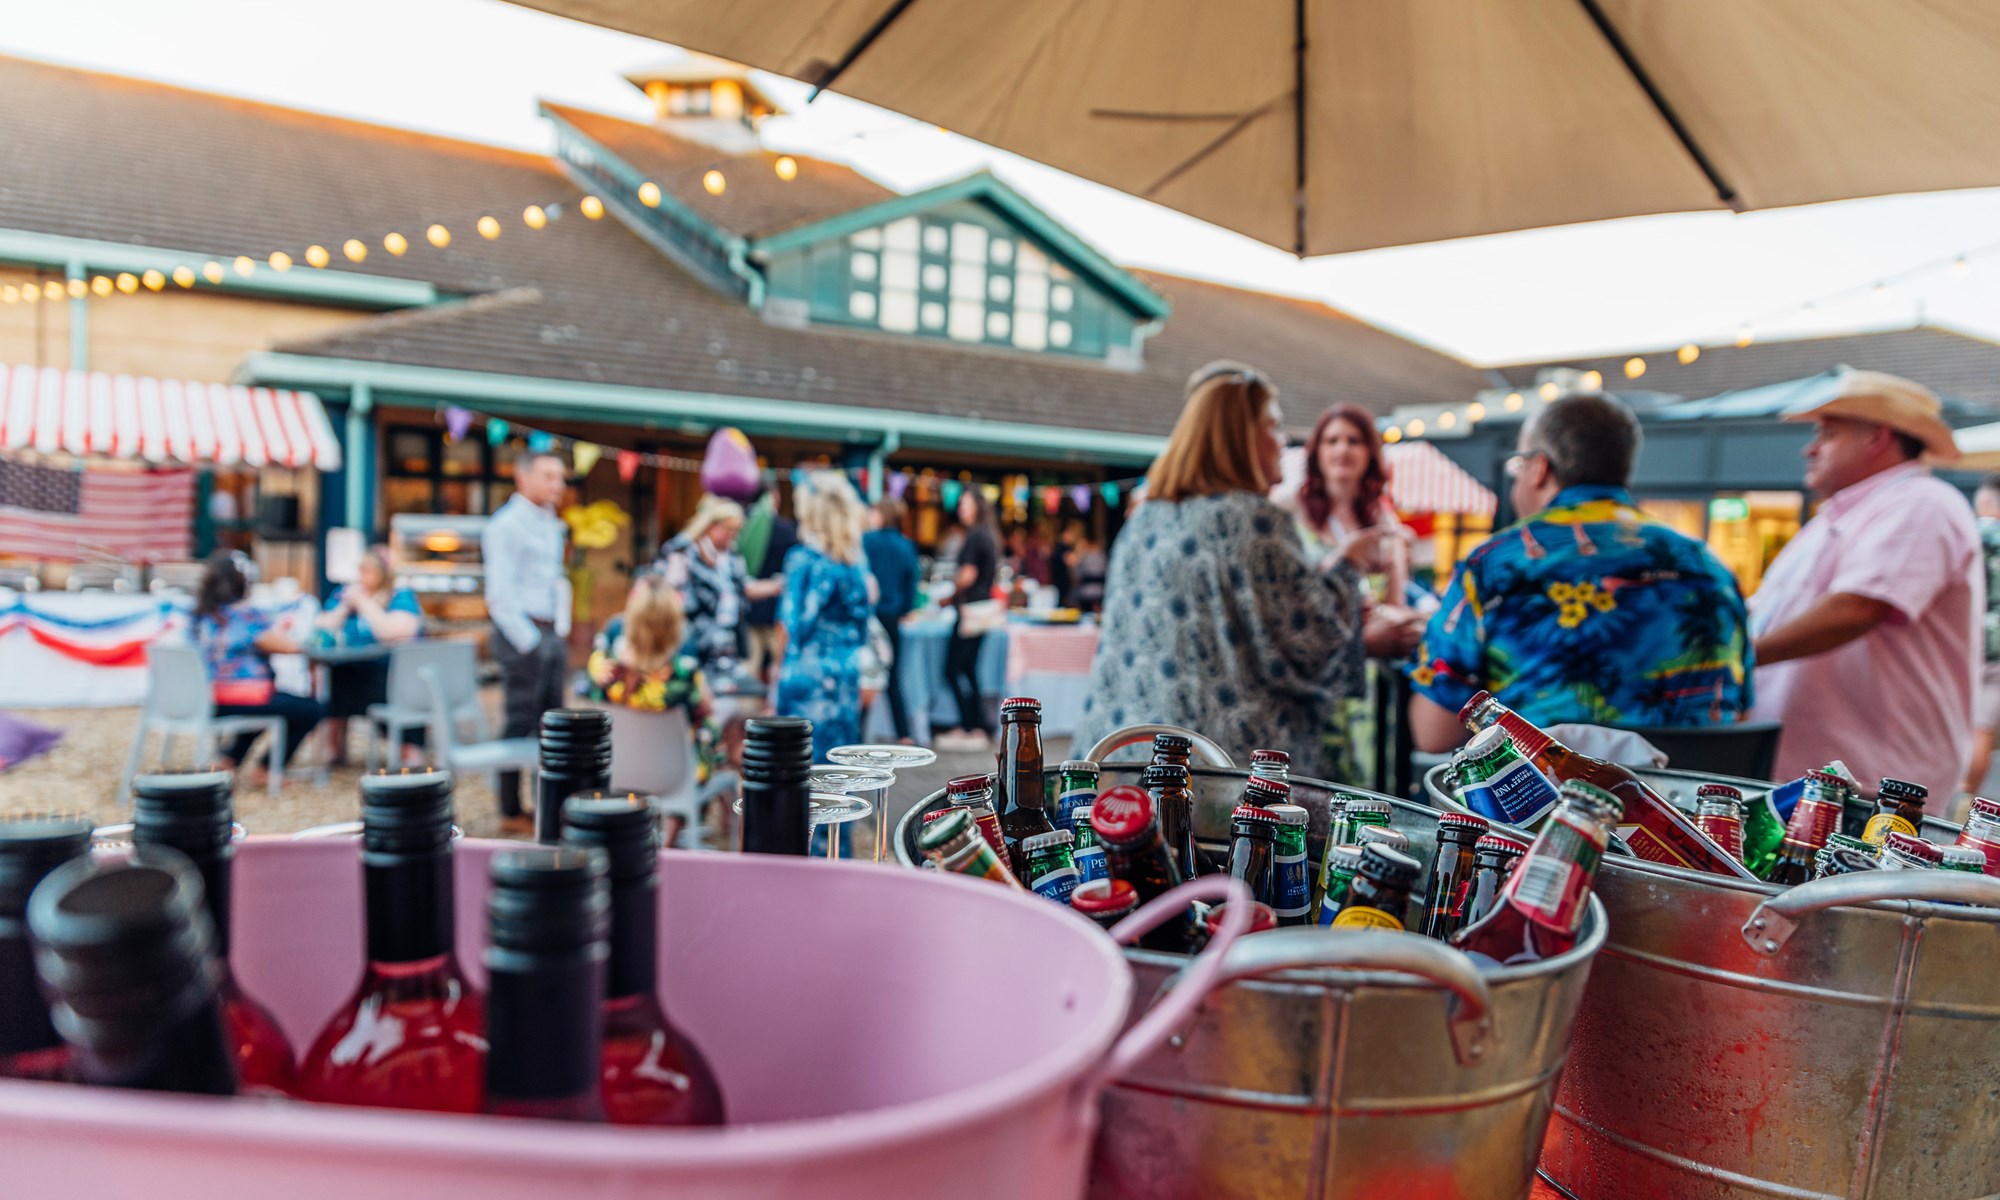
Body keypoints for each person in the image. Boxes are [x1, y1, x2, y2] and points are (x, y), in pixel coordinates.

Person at [1070, 361, 1393, 772]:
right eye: (1273, 426)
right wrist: (1350, 563)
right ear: (1240, 436)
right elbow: (1309, 643)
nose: (1282, 441)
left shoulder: (1144, 518)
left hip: (1118, 762)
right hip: (1214, 777)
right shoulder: (1251, 520)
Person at [1407, 394, 1753, 752]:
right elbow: (1737, 716)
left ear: (1540, 468)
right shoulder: (1711, 569)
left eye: (1518, 467)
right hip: (1683, 804)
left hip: (1541, 803)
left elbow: (1435, 734)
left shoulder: (1494, 566)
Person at [1749, 371, 1979, 807]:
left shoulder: (1922, 502)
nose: (1810, 448)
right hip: (1834, 777)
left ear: (1878, 438)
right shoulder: (1845, 514)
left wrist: (1739, 659)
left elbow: (1858, 608)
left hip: (1870, 784)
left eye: (1829, 434)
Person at [482, 449, 572, 834]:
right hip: (523, 634)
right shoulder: (505, 525)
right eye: (549, 476)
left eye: (560, 477)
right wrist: (531, 642)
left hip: (551, 631)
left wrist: (559, 630)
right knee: (519, 719)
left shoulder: (551, 522)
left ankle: (546, 805)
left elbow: (553, 578)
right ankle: (509, 808)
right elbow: (500, 594)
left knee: (552, 722)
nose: (558, 485)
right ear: (523, 478)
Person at [193, 551, 324, 783]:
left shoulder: (203, 615)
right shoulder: (245, 616)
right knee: (310, 709)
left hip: (205, 697)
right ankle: (267, 768)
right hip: (239, 697)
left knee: (274, 703)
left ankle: (229, 759)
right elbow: (287, 646)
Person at [587, 577, 724, 792]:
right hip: (674, 780)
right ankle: (679, 822)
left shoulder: (606, 671)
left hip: (616, 772)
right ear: (674, 626)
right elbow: (709, 729)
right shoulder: (685, 676)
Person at [314, 548, 422, 764]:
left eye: (369, 571)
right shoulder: (346, 594)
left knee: (378, 687)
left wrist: (364, 603)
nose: (363, 576)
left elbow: (393, 632)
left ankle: (408, 750)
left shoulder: (399, 595)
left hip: (391, 671)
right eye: (361, 570)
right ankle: (335, 749)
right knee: (335, 684)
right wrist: (345, 606)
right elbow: (321, 626)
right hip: (348, 666)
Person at [657, 494, 779, 680]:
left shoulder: (732, 556)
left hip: (727, 642)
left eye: (737, 531)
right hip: (692, 640)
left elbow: (742, 588)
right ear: (712, 526)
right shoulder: (683, 550)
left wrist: (774, 586)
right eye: (729, 529)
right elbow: (666, 589)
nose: (734, 536)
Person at [937, 487, 1001, 750]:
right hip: (977, 611)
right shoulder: (986, 534)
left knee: (953, 669)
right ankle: (975, 724)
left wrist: (949, 595)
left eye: (965, 504)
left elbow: (968, 576)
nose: (961, 509)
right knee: (968, 669)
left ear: (977, 505)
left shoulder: (976, 536)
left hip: (970, 612)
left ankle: (970, 725)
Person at [863, 496, 921, 744]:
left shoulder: (867, 541)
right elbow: (912, 582)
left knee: (864, 673)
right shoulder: (906, 545)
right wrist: (905, 609)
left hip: (869, 615)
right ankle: (903, 733)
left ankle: (858, 733)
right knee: (893, 676)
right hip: (892, 616)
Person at [739, 486, 799, 684]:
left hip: (749, 608)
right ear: (774, 497)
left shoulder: (743, 526)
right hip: (776, 608)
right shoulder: (785, 529)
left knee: (750, 667)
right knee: (778, 666)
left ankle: (750, 711)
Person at [1963, 475, 2000, 798]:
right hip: (1998, 653)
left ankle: (1958, 795)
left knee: (1970, 727)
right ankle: (1968, 800)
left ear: (1987, 501)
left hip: (1974, 647)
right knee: (1983, 728)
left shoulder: (1975, 535)